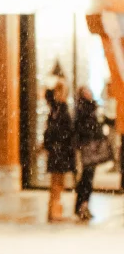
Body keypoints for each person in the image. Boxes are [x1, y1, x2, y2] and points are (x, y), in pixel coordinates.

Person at [43, 79, 75, 223]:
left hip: (59, 151)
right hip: (59, 152)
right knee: (57, 183)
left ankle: (53, 210)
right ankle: (55, 212)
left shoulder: (56, 109)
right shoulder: (59, 109)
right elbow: (61, 131)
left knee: (57, 183)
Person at [74, 85, 107, 222]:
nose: (88, 93)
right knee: (86, 177)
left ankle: (84, 205)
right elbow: (80, 127)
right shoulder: (82, 109)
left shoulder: (93, 108)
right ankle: (81, 205)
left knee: (89, 177)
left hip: (93, 145)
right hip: (87, 146)